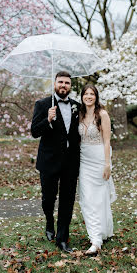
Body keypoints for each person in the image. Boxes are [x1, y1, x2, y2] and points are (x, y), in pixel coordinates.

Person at [31, 71, 80, 253]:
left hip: (70, 162)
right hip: (49, 161)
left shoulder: (77, 106)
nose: (63, 85)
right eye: (60, 82)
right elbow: (34, 131)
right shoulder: (43, 104)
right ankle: (49, 223)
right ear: (54, 84)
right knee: (48, 199)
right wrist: (48, 119)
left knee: (67, 201)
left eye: (67, 83)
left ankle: (62, 239)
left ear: (70, 86)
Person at [78, 84, 116, 255]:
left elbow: (107, 141)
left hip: (99, 159)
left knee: (99, 199)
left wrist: (107, 164)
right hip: (83, 160)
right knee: (87, 199)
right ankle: (95, 239)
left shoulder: (103, 114)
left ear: (96, 96)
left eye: (91, 94)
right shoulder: (79, 114)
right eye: (86, 94)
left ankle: (99, 236)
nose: (88, 96)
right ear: (82, 97)